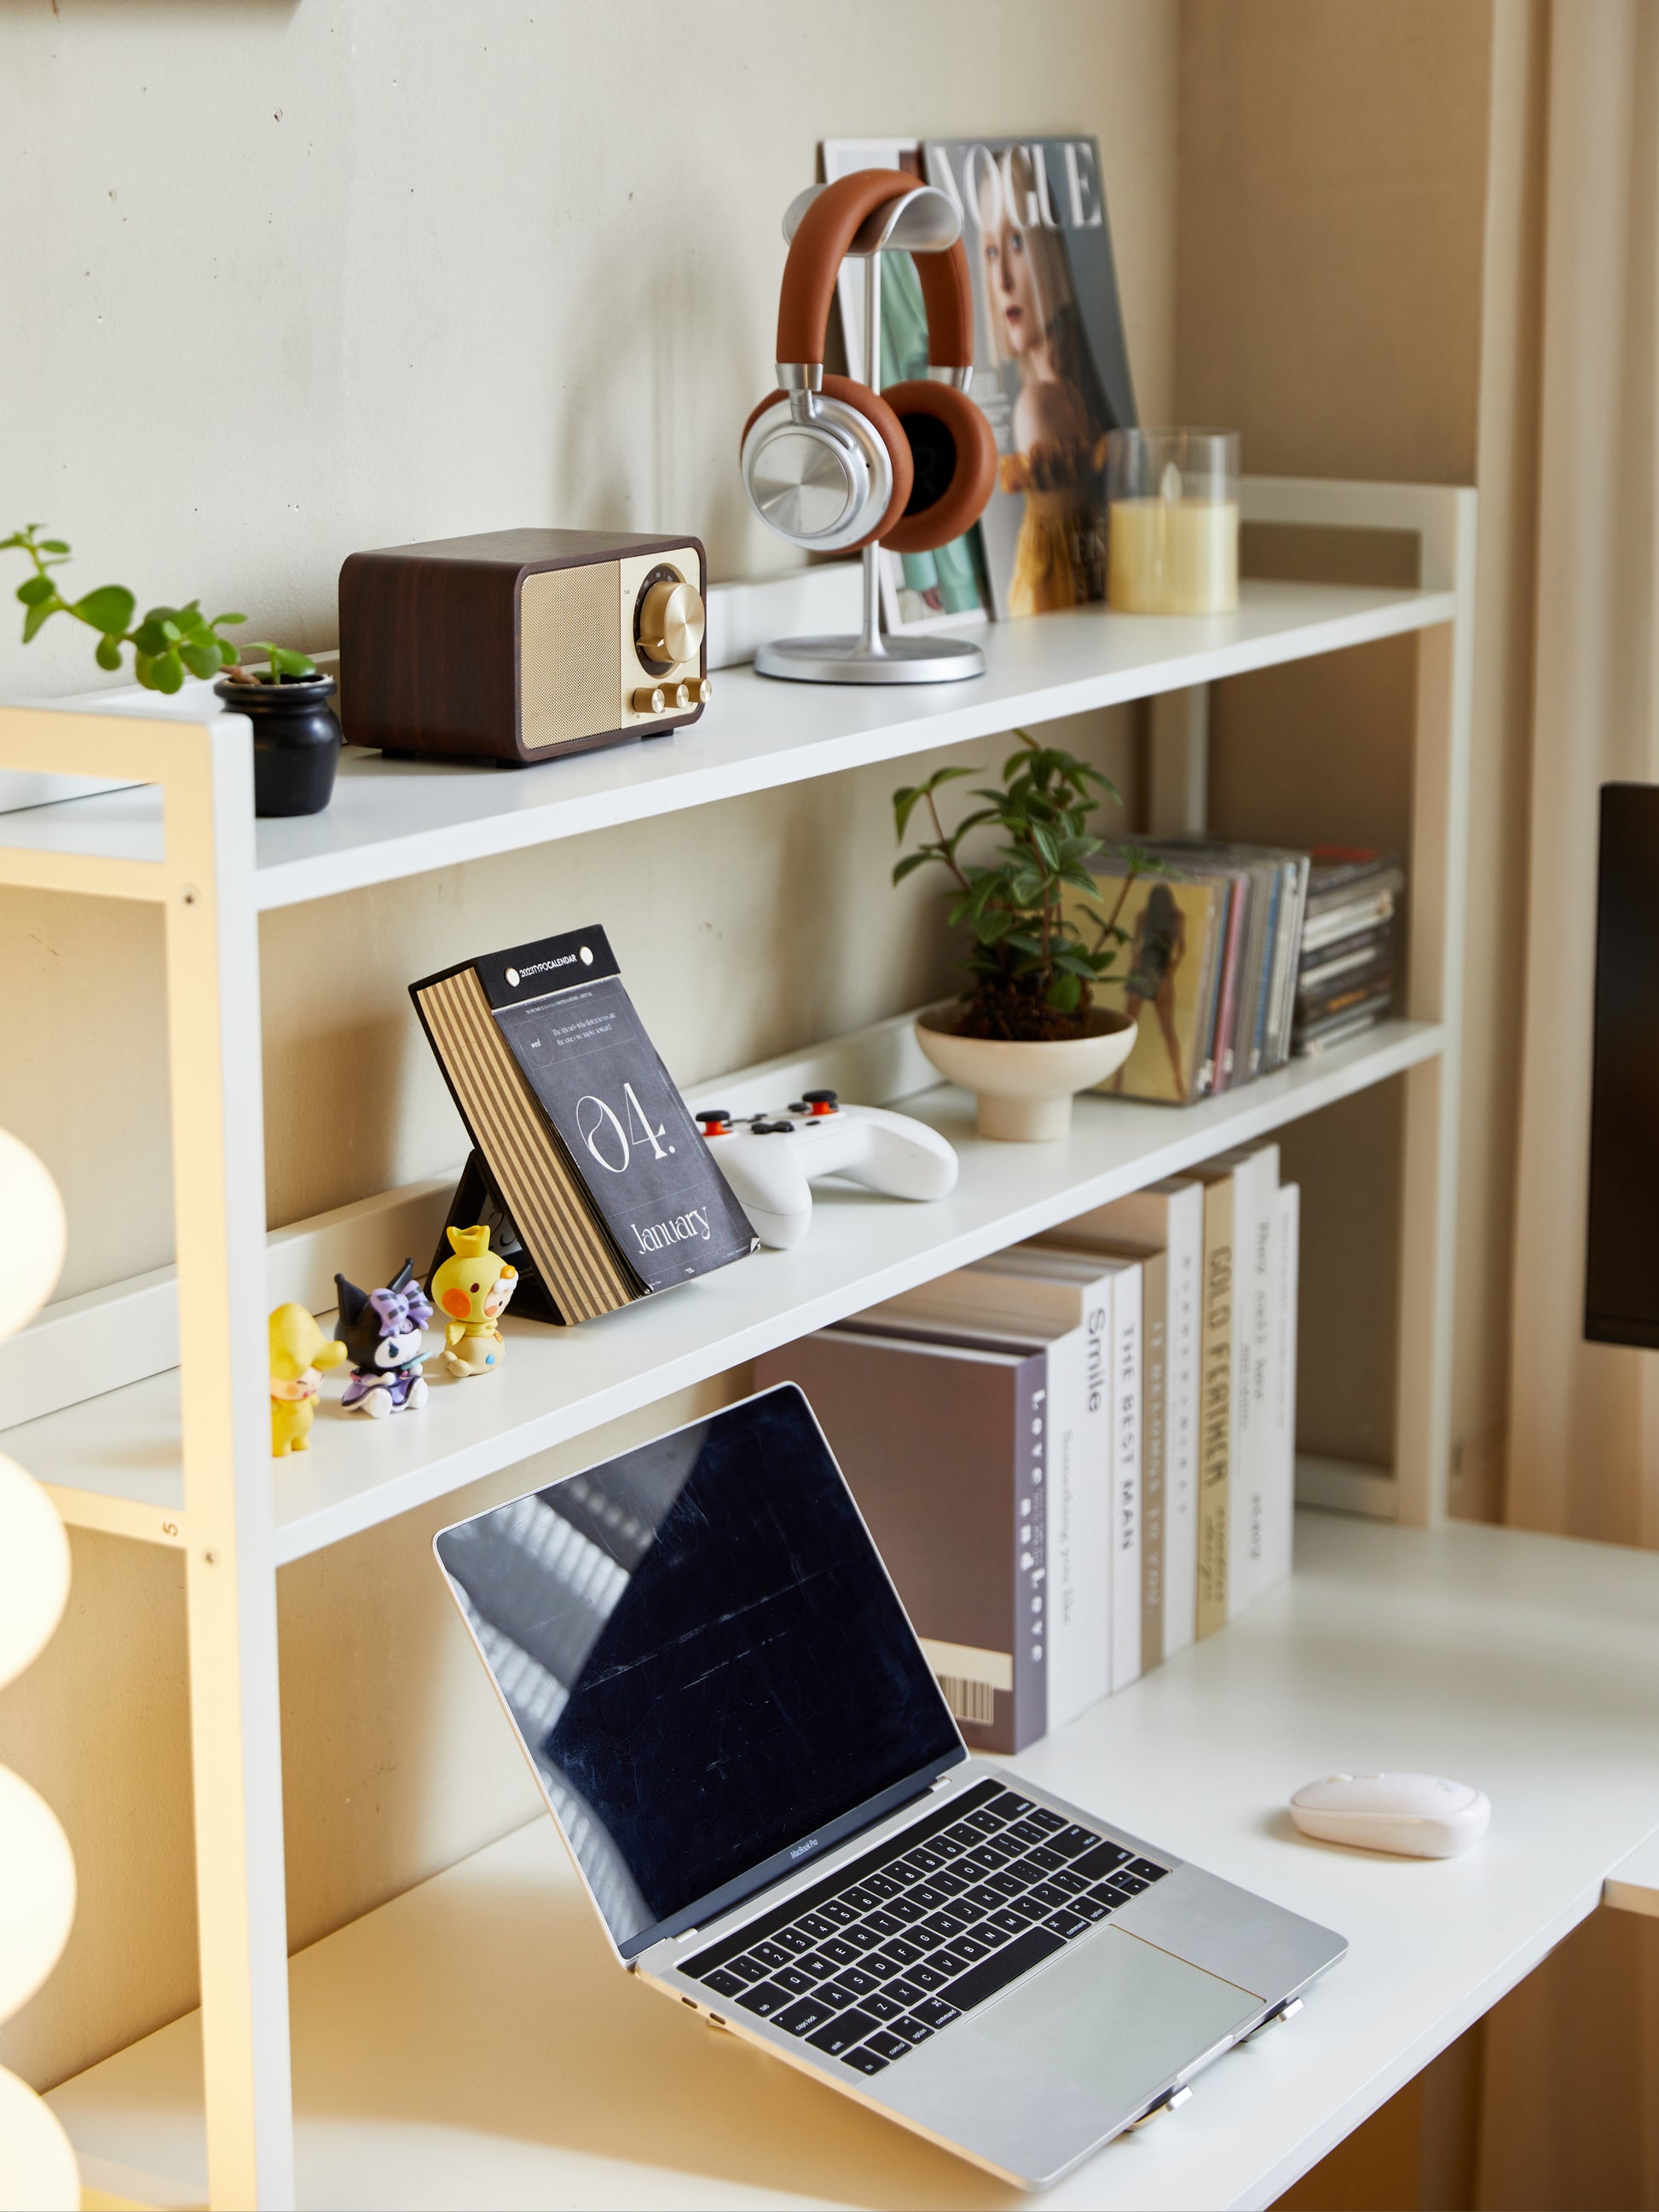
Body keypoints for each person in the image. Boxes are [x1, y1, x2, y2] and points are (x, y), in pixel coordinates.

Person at [978, 146, 1116, 615]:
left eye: (1017, 243)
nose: (1001, 280)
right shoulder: (1083, 396)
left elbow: (1043, 604)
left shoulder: (1038, 408)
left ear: (1053, 248)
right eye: (991, 250)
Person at [1114, 881, 1188, 1098]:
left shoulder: (1170, 917)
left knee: (1155, 1030)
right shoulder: (1158, 917)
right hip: (1154, 973)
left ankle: (1178, 1080)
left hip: (1154, 973)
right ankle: (1119, 1078)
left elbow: (1178, 950)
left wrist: (1164, 971)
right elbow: (1138, 946)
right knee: (1130, 1028)